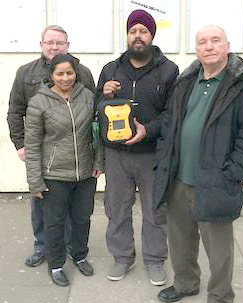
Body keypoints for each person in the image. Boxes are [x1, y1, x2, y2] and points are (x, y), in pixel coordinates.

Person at [153, 25, 243, 303]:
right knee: (180, 239)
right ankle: (186, 283)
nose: (208, 46)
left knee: (218, 247)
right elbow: (170, 122)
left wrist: (233, 173)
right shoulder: (186, 82)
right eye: (202, 42)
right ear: (197, 50)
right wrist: (165, 158)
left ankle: (220, 299)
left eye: (215, 40)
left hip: (216, 180)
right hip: (179, 177)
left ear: (227, 46)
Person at [95, 9, 178, 286]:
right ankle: (122, 258)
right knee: (117, 208)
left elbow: (172, 114)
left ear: (151, 35)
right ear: (127, 35)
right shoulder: (110, 69)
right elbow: (97, 108)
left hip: (152, 153)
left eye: (143, 31)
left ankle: (155, 260)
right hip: (117, 155)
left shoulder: (168, 70)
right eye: (133, 31)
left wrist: (147, 131)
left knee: (155, 210)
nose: (137, 36)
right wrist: (103, 94)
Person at [7, 25, 95, 267]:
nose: (54, 47)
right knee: (42, 205)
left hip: (77, 156)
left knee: (73, 210)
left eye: (59, 43)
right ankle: (42, 246)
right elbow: (15, 111)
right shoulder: (26, 73)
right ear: (41, 45)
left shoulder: (83, 72)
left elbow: (92, 111)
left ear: (67, 45)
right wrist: (20, 143)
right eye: (50, 43)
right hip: (44, 154)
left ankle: (69, 247)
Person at [24, 53, 103, 286]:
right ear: (51, 76)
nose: (65, 78)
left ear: (75, 74)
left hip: (85, 174)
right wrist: (35, 182)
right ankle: (56, 264)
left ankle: (79, 256)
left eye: (69, 73)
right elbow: (33, 143)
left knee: (81, 219)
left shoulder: (87, 96)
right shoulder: (39, 102)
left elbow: (97, 134)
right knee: (54, 222)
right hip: (54, 174)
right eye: (60, 73)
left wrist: (98, 162)